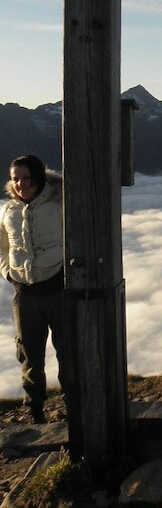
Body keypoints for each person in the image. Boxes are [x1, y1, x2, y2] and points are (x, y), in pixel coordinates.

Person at [0, 155, 66, 423]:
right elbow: (2, 246)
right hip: (25, 293)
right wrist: (7, 272)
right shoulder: (9, 210)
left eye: (26, 178)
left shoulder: (58, 203)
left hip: (58, 289)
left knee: (68, 352)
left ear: (38, 177)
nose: (20, 184)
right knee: (28, 355)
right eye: (15, 178)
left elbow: (73, 236)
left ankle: (74, 405)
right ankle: (35, 411)